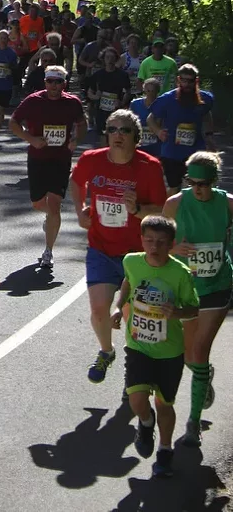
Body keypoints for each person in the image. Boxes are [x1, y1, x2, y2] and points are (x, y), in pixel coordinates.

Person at [70, 108, 167, 384]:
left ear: (136, 137)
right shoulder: (92, 160)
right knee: (99, 310)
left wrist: (136, 209)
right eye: (112, 129)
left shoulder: (149, 166)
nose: (117, 135)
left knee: (132, 315)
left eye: (124, 130)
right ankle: (106, 351)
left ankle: (135, 367)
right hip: (100, 248)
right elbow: (76, 183)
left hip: (137, 254)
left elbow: (160, 208)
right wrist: (80, 212)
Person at [111, 216, 198, 479]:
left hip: (169, 351)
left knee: (164, 404)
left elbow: (193, 308)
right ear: (141, 240)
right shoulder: (132, 261)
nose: (154, 246)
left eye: (161, 242)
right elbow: (128, 280)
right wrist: (118, 306)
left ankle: (165, 451)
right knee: (137, 399)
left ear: (171, 244)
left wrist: (177, 313)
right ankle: (146, 423)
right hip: (138, 346)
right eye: (149, 240)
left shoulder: (180, 273)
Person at [162, 151, 233, 447]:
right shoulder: (176, 203)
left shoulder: (227, 203)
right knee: (189, 356)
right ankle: (204, 376)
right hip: (185, 288)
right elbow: (158, 245)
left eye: (204, 183)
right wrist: (175, 248)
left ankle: (192, 423)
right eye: (193, 182)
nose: (198, 188)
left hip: (217, 284)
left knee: (199, 351)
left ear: (215, 181)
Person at [10, 66, 86, 269]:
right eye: (50, 81)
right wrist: (31, 139)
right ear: (45, 82)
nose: (54, 85)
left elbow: (82, 123)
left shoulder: (72, 103)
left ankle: (48, 251)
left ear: (64, 84)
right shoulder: (33, 100)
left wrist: (76, 140)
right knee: (37, 203)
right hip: (38, 158)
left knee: (54, 204)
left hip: (60, 159)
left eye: (58, 81)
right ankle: (50, 218)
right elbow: (14, 123)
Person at [147, 63, 215, 195]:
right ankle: (169, 214)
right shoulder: (167, 99)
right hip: (172, 152)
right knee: (174, 188)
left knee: (197, 186)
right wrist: (158, 131)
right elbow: (150, 118)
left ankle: (192, 214)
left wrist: (209, 135)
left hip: (196, 151)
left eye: (190, 81)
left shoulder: (205, 98)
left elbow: (207, 114)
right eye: (183, 80)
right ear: (178, 80)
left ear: (196, 81)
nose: (186, 85)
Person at [130, 79, 162, 158]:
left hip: (156, 146)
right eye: (148, 91)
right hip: (139, 145)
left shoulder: (162, 105)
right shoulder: (135, 104)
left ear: (157, 91)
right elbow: (130, 123)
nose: (150, 94)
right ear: (144, 90)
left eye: (153, 91)